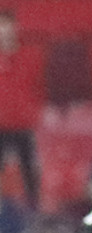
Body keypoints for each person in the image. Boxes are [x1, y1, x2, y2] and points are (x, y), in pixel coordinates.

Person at [0, 9, 43, 210]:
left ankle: (34, 211)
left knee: (29, 174)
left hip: (23, 125)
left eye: (6, 26)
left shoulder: (27, 57)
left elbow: (37, 87)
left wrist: (32, 113)